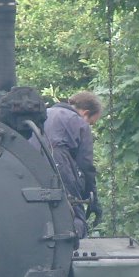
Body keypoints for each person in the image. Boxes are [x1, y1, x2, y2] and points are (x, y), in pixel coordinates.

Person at [42, 91, 103, 238]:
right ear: (86, 113)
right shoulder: (79, 122)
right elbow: (85, 164)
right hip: (60, 162)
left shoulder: (44, 113)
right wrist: (92, 196)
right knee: (74, 211)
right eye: (91, 122)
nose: (89, 125)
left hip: (30, 161)